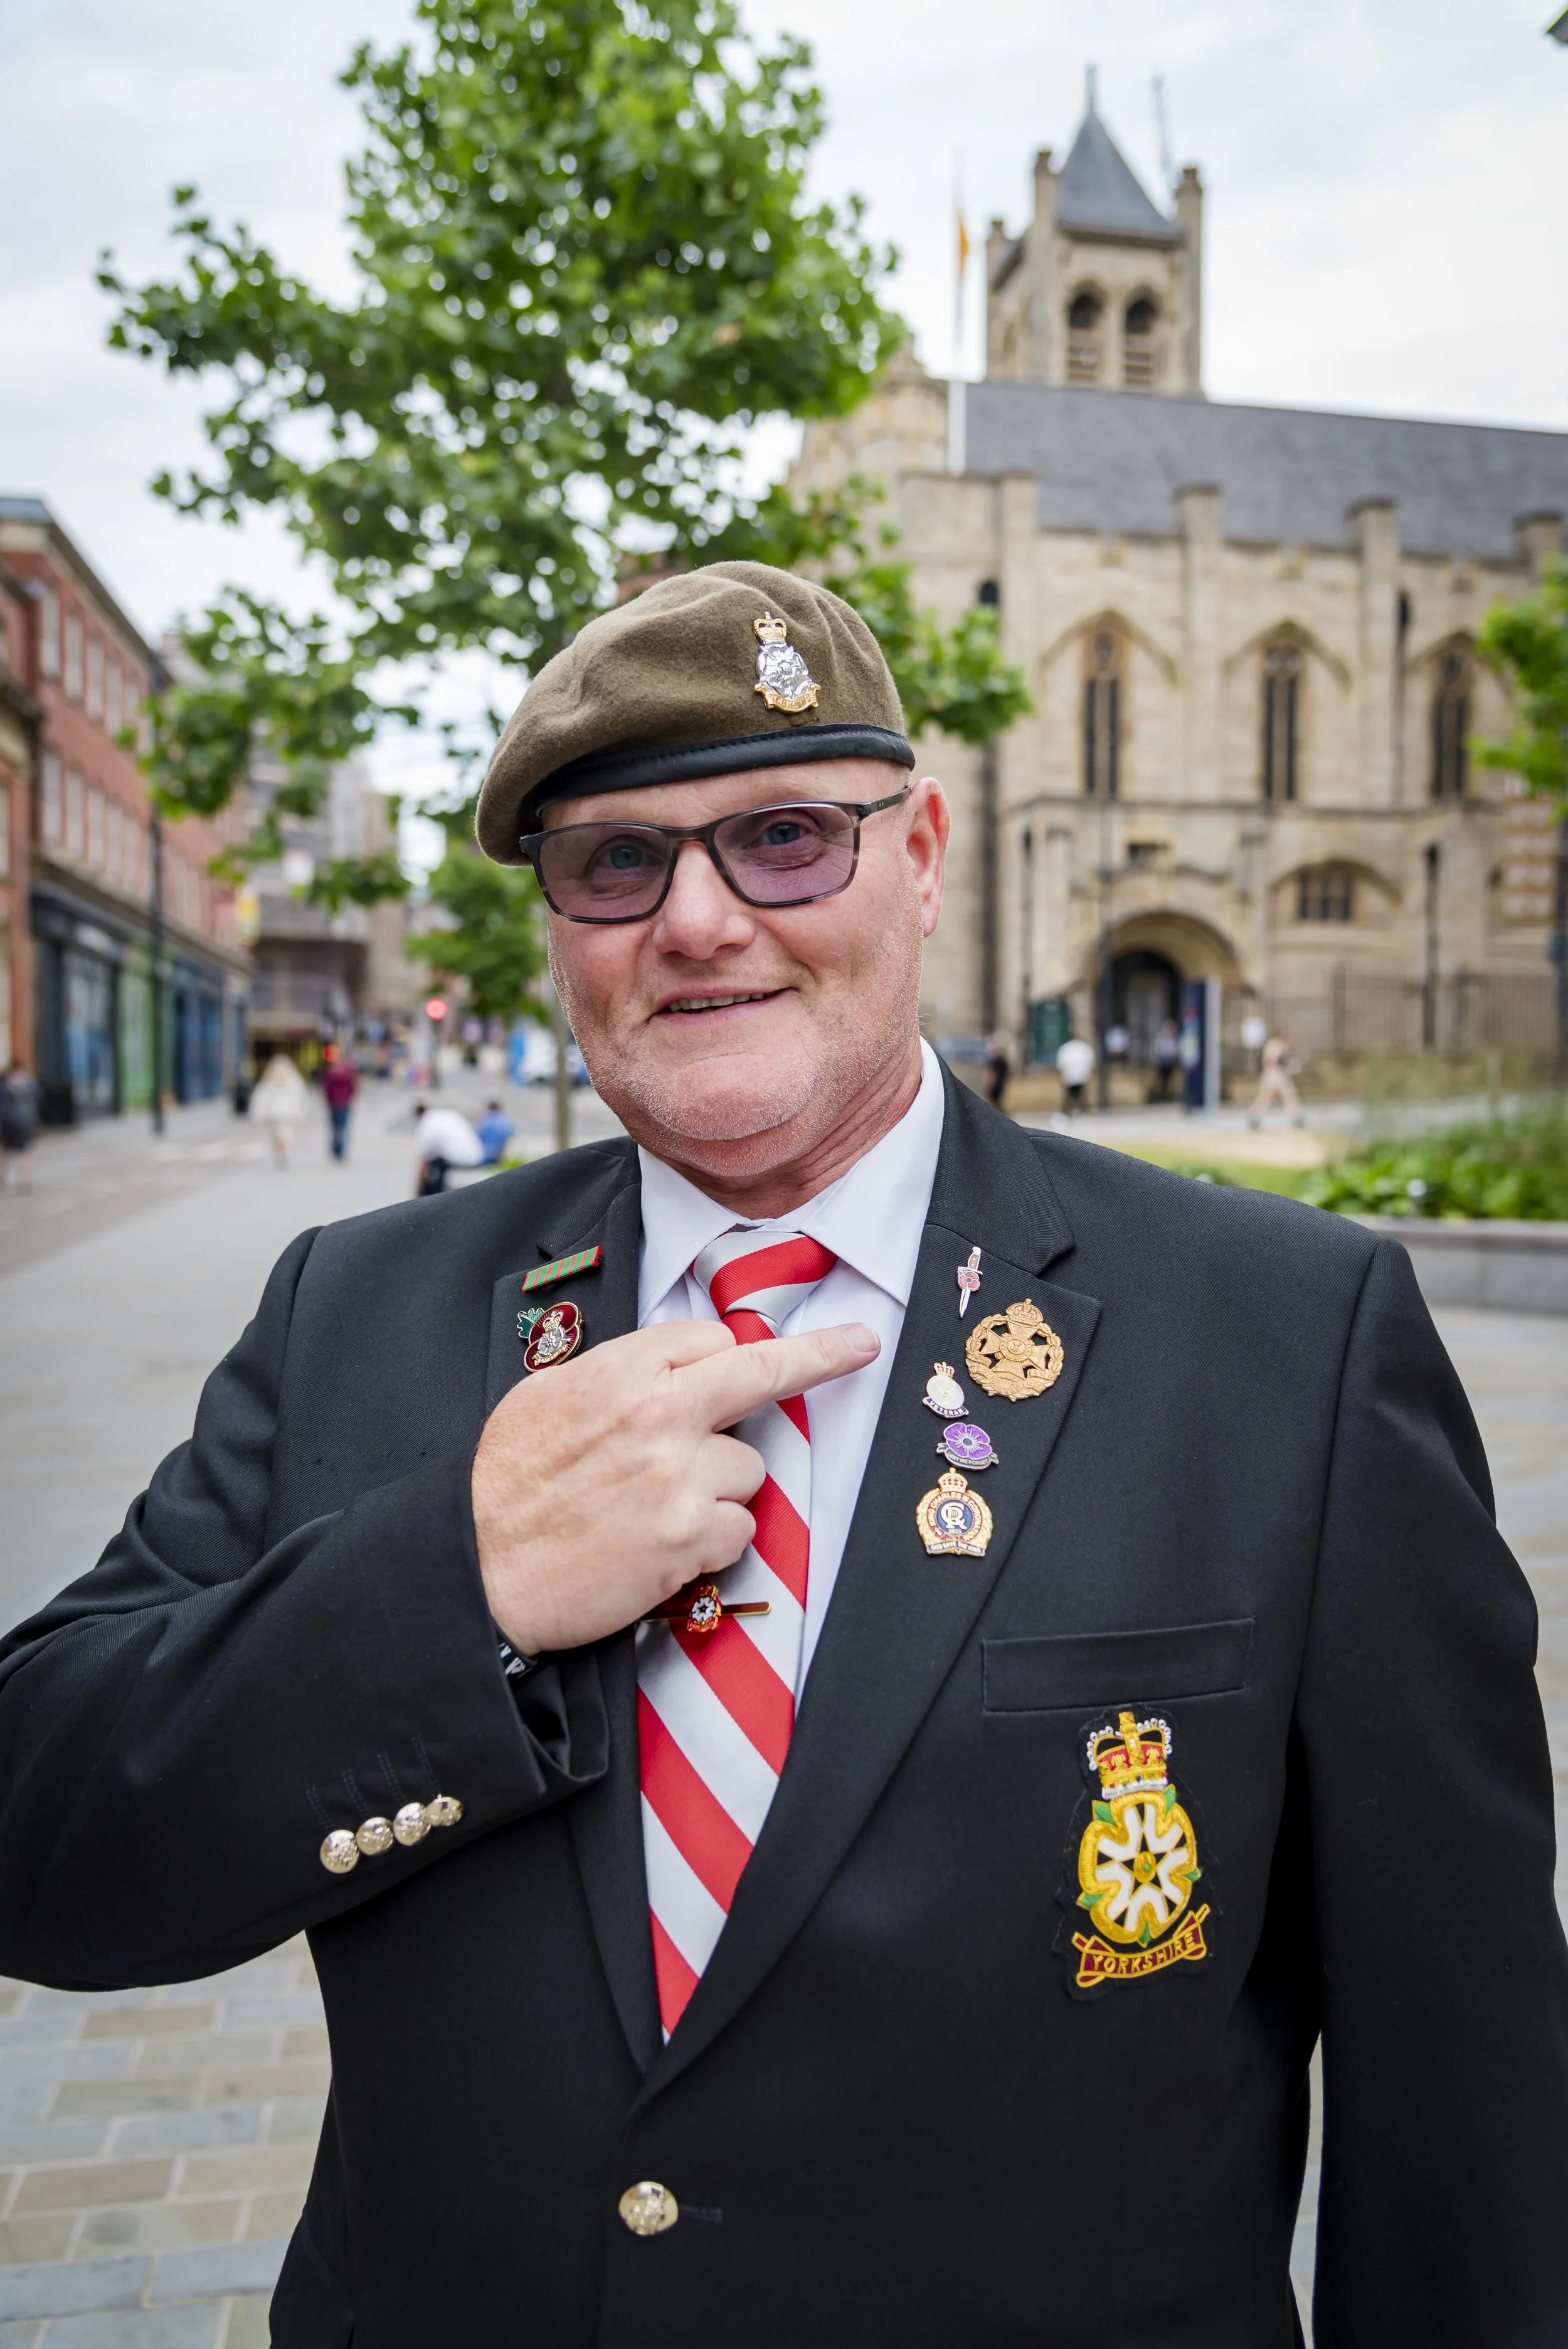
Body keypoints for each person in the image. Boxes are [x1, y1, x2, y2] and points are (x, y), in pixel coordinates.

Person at [1, 559, 1565, 2349]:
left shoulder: (1285, 1335)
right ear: (555, 919)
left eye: (784, 838)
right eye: (615, 861)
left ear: (919, 854)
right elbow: (40, 1835)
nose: (697, 919)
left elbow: (1455, 2077)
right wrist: (460, 1586)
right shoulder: (359, 1308)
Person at [246, 1051, 309, 1168]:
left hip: (287, 1116)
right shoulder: (269, 1082)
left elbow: (300, 1099)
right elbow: (261, 1099)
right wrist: (258, 1114)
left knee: (285, 1135)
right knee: (276, 1136)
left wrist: (300, 1113)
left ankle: (284, 1154)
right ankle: (281, 1153)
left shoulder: (293, 1082)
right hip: (273, 1115)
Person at [412, 1097, 485, 1196]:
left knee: (433, 1171)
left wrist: (418, 1190)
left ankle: (432, 1199)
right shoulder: (448, 1115)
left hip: (460, 1161)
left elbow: (423, 1160)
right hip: (477, 1155)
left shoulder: (427, 1123)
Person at [1250, 1029, 1305, 1128]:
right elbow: (1273, 1060)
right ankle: (1254, 1116)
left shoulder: (1279, 1045)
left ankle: (1296, 1117)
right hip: (1273, 1074)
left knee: (1289, 1095)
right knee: (1267, 1097)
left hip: (1278, 1074)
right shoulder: (1274, 1044)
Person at [0, 1062, 41, 1192]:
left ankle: (20, 1179)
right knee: (19, 1152)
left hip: (14, 1124)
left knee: (13, 1151)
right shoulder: (29, 1085)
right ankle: (22, 1180)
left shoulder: (8, 1086)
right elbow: (38, 1102)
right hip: (20, 1123)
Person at [322, 1052, 359, 1161]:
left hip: (334, 1104)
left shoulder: (330, 1073)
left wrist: (328, 1100)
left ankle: (335, 1148)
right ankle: (340, 1149)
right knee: (343, 1127)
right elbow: (354, 1088)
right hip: (344, 1104)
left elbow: (326, 1088)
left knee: (334, 1127)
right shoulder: (349, 1074)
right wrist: (350, 1098)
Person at [1054, 1028, 1096, 1113]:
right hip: (1080, 1076)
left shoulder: (1066, 1048)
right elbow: (1091, 1062)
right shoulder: (1084, 1047)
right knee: (1080, 1096)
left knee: (1072, 1097)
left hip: (1071, 1076)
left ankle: (1071, 1113)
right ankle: (1080, 1113)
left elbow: (1061, 1064)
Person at [474, 1098, 516, 1165]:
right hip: (498, 1155)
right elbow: (512, 1133)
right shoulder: (505, 1121)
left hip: (484, 1156)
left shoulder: (485, 1121)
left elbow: (477, 1135)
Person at [982, 1029, 1009, 1110]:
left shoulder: (997, 1061)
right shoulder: (1003, 1060)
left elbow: (992, 1072)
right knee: (997, 1101)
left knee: (995, 1101)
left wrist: (989, 1082)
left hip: (996, 1083)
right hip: (1001, 1082)